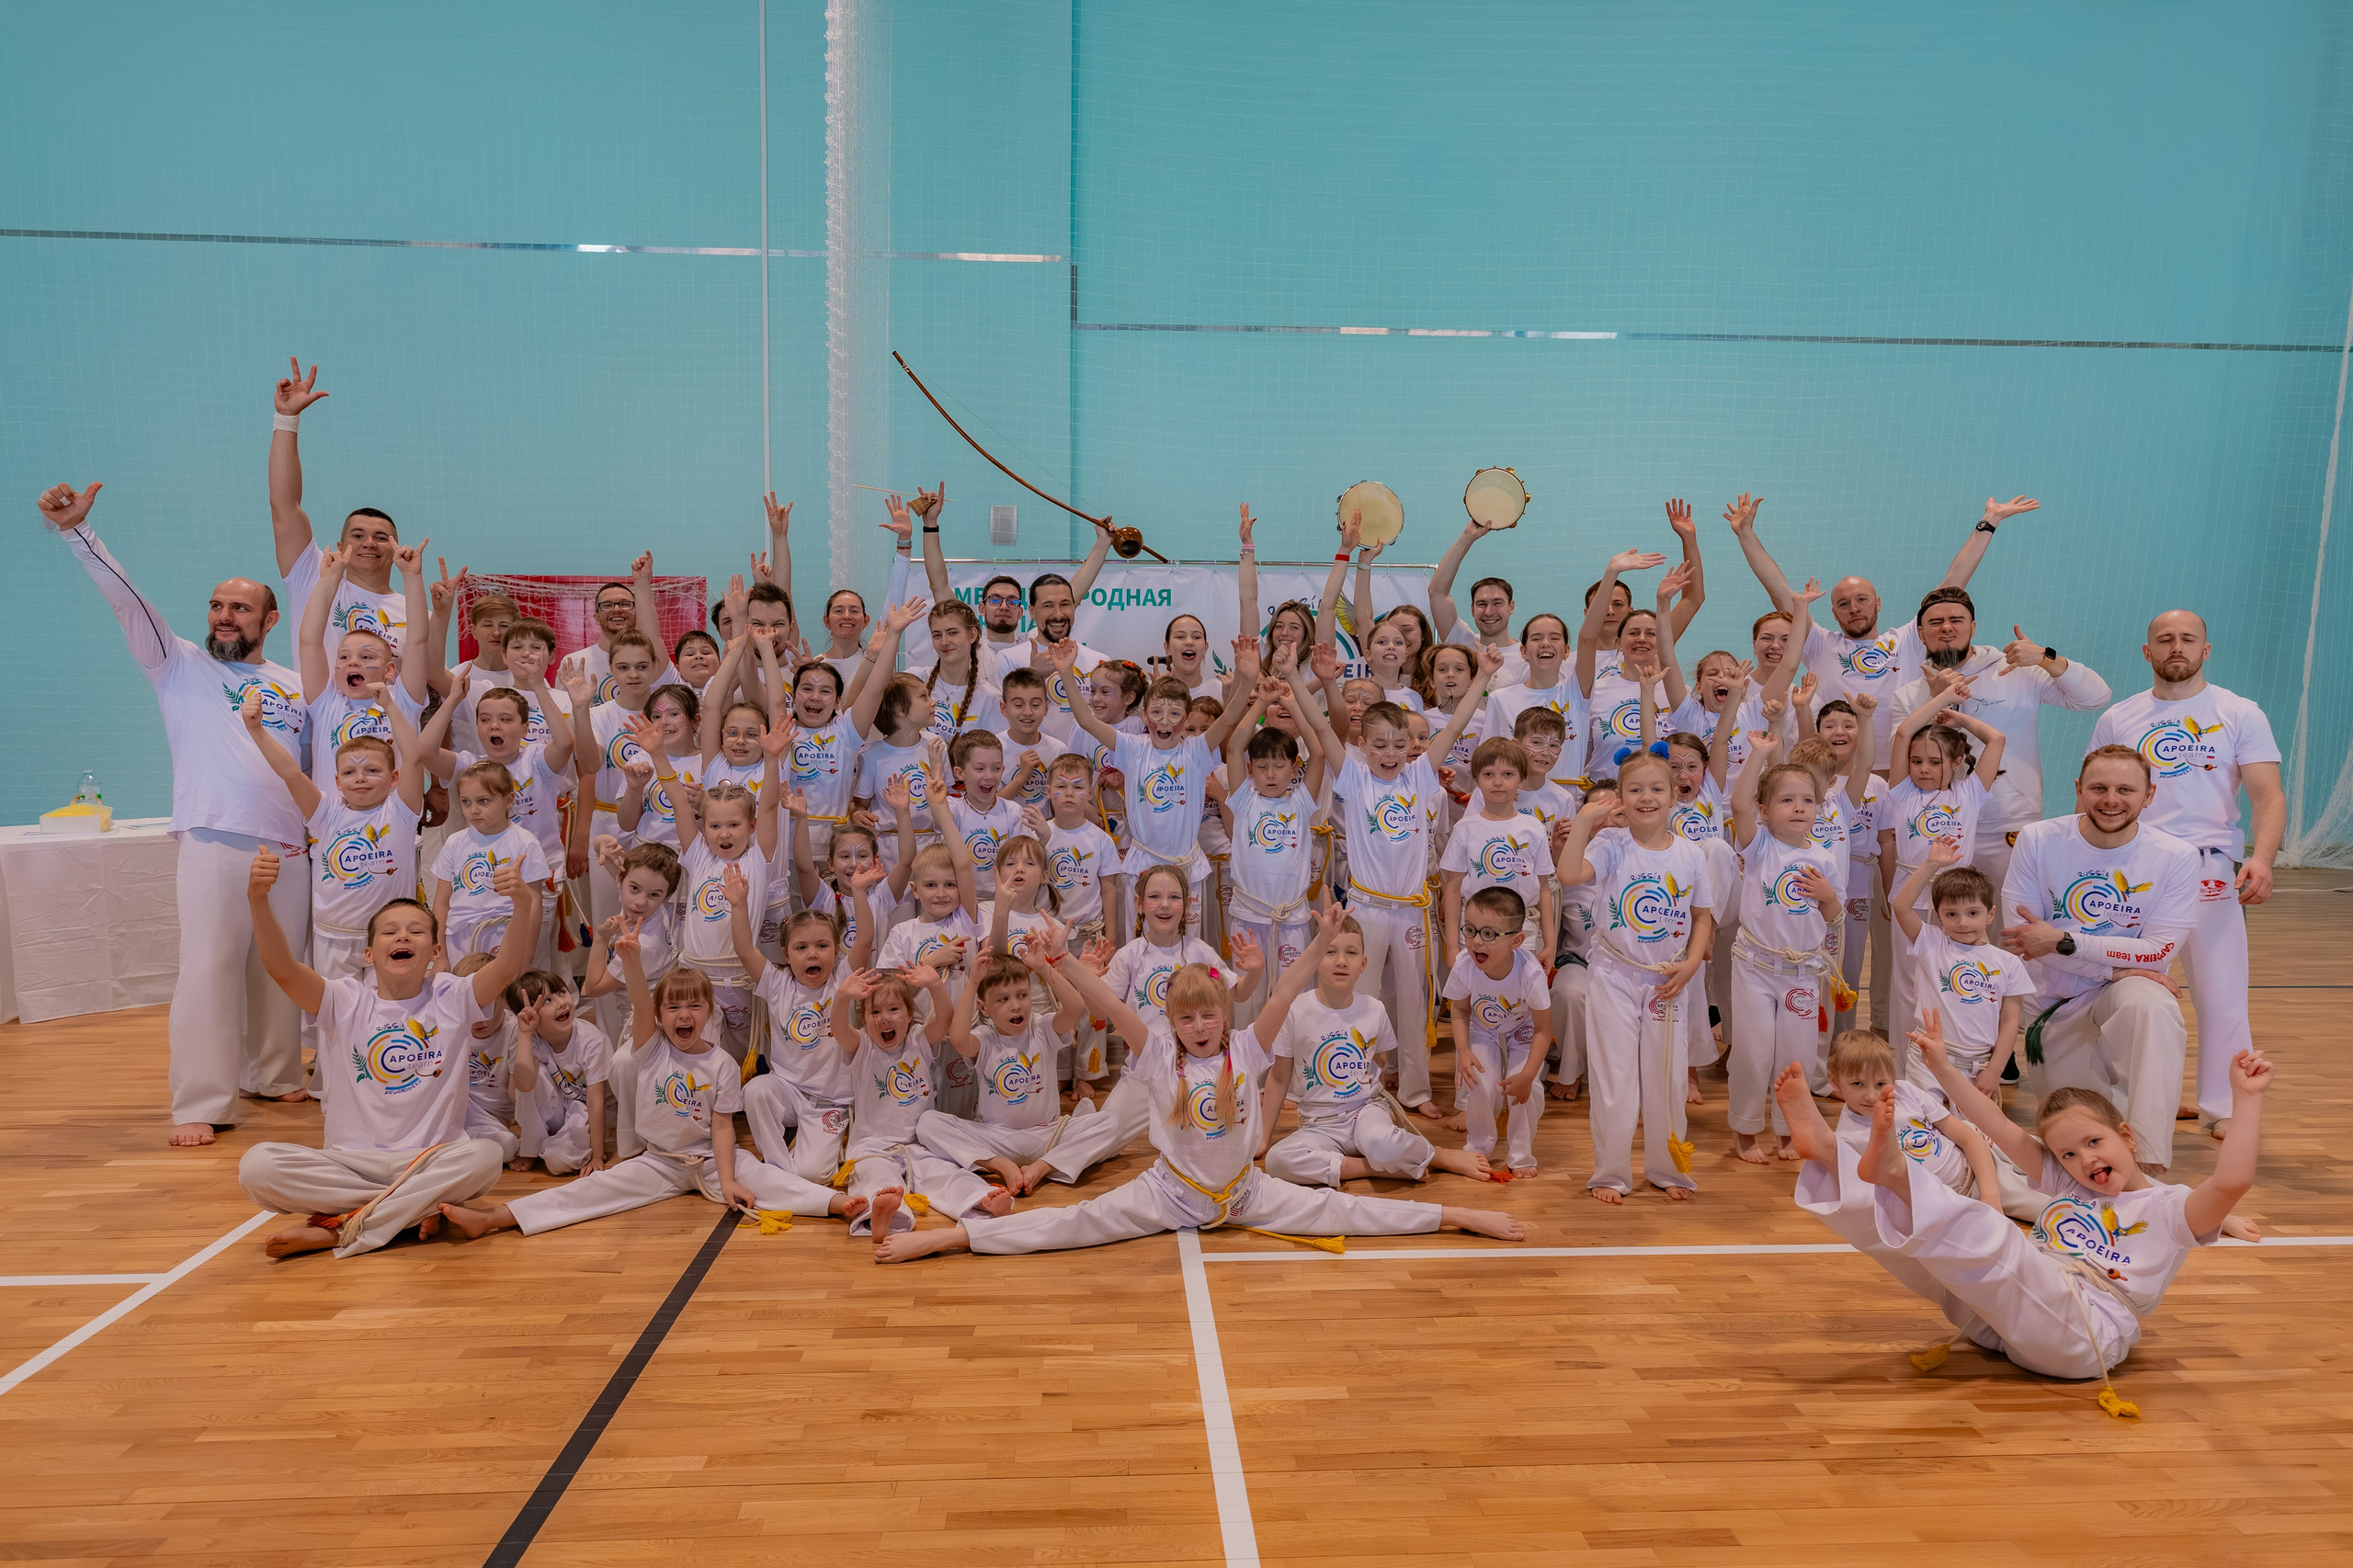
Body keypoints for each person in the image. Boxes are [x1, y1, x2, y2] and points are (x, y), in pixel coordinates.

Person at [871, 909, 1526, 1263]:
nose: (1200, 1026)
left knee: (1351, 1214)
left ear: (1223, 1013)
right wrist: (1062, 960)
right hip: (1168, 1194)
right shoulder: (1159, 1055)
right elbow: (1112, 1005)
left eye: (1209, 1014)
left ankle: (1459, 1216)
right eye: (1187, 1019)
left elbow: (1286, 991)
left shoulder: (1246, 1046)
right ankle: (951, 1237)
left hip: (1243, 1194)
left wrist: (1322, 940)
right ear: (1174, 1023)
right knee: (1067, 1225)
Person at [1792, 1008, 2269, 1402]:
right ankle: (1832, 1154)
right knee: (1911, 1252)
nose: (2084, 1159)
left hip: (2084, 1332)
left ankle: (1897, 1173)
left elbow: (2230, 1181)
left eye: (2094, 1142)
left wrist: (2246, 1100)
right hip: (2005, 1328)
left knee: (1993, 1238)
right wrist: (1941, 1067)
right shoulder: (2070, 1183)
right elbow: (1993, 1124)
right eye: (2068, 1154)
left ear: (2126, 1135)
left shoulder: (2170, 1208)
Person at [43, 479, 313, 1144]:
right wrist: (79, 533)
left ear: (269, 621)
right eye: (217, 605)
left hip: (290, 846)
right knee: (210, 969)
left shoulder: (297, 685)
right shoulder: (179, 664)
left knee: (280, 969)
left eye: (240, 608)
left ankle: (274, 1073)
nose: (225, 615)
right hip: (214, 838)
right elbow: (127, 601)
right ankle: (202, 1101)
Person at [436, 930, 857, 1244]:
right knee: (590, 1191)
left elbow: (723, 1127)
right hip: (660, 1161)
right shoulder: (652, 1048)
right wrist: (631, 960)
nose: (683, 1015)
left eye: (694, 1006)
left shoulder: (723, 1065)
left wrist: (728, 1180)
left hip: (711, 1160)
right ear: (659, 1016)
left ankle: (841, 1206)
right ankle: (495, 1217)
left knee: (767, 1180)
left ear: (709, 1012)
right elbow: (640, 1002)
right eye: (672, 1007)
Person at [237, 848, 537, 1258]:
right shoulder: (344, 999)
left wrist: (522, 903)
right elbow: (282, 968)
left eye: (417, 931)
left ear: (435, 952)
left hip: (431, 1159)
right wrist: (257, 898)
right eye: (389, 931)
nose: (403, 937)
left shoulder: (452, 995)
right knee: (257, 1166)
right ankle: (413, 1211)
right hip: (351, 1164)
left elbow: (505, 968)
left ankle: (342, 1228)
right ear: (368, 954)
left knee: (484, 1156)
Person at [2086, 609, 2284, 1135]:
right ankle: (2139, 1099)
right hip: (2135, 869)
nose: (2177, 647)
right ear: (2147, 651)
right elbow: (2096, 796)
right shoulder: (2118, 718)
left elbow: (2268, 795)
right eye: (2165, 639)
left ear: (2205, 650)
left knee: (2221, 992)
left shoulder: (2240, 712)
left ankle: (2224, 1107)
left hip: (2209, 868)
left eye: (2188, 639)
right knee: (2127, 990)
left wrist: (2262, 858)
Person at [1723, 491, 2040, 768]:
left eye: (1862, 600)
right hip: (1837, 771)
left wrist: (1989, 521)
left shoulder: (1908, 639)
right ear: (1833, 613)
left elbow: (1954, 580)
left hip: (1904, 768)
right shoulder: (1820, 644)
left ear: (1878, 603)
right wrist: (1745, 534)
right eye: (1844, 603)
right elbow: (1779, 591)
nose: (1854, 608)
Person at [2000, 747, 2201, 1173]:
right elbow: (2024, 940)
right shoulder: (2037, 840)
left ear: (2149, 795)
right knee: (2079, 1131)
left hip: (2125, 992)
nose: (2111, 800)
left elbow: (2158, 951)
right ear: (2079, 789)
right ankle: (2125, 1102)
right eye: (2099, 788)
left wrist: (2063, 942)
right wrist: (2116, 966)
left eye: (2125, 789)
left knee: (2153, 1004)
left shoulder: (2177, 856)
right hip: (2053, 1008)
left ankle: (2150, 1164)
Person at [1554, 752, 1718, 1203]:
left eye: (1657, 789)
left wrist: (1691, 963)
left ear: (1675, 795)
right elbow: (1568, 873)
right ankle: (1610, 1173)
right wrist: (1585, 821)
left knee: (1668, 1080)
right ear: (1621, 798)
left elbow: (1702, 916)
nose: (1647, 797)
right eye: (1635, 789)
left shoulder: (1691, 854)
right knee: (1616, 1078)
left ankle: (1668, 1167)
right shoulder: (1612, 844)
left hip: (1667, 982)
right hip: (1613, 977)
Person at [1887, 588, 2110, 892]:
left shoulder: (2015, 671)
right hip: (1937, 830)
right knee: (1941, 921)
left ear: (1973, 627)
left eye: (1956, 620)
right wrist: (1935, 699)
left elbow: (2095, 698)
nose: (1947, 628)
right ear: (1921, 633)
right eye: (1936, 622)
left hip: (2008, 825)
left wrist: (2046, 658)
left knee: (2011, 919)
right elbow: (1900, 760)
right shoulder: (1908, 694)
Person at [1261, 917, 1496, 1187]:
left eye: (1351, 952)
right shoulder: (1295, 1010)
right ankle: (1375, 1168)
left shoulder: (1374, 1009)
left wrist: (1377, 1117)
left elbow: (1376, 1065)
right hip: (1319, 1125)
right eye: (1330, 951)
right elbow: (1279, 1078)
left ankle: (1439, 1155)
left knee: (1381, 1142)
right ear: (1314, 959)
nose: (1341, 961)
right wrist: (1264, 1139)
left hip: (1365, 1112)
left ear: (1363, 963)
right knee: (1277, 1160)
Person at [1722, 736, 1844, 1164]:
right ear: (1764, 810)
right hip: (1755, 967)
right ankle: (1744, 1128)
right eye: (1786, 800)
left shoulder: (1825, 857)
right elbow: (1737, 805)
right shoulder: (1760, 846)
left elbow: (1834, 916)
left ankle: (1789, 1129)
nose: (1798, 808)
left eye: (1807, 800)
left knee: (1797, 1056)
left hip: (1802, 973)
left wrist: (1828, 897)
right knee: (1753, 1052)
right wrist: (1758, 753)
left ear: (1819, 807)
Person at [917, 949, 1129, 1193]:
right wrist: (973, 981)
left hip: (1047, 1135)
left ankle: (1043, 1167)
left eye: (1022, 995)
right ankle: (999, 1165)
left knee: (1113, 1122)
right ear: (984, 1008)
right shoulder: (985, 1038)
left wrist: (1044, 968)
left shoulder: (1041, 1027)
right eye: (1003, 999)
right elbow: (958, 1039)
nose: (1016, 1006)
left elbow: (1074, 1008)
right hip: (995, 1139)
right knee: (928, 1123)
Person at [1878, 679, 2006, 1046]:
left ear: (1956, 763)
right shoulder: (1903, 793)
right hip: (1912, 892)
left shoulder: (1970, 793)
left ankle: (1954, 1051)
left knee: (1954, 975)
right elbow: (1904, 732)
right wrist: (1944, 697)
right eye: (1916, 761)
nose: (1923, 769)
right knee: (1908, 979)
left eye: (1935, 762)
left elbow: (1996, 740)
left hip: (1957, 898)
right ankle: (1905, 1060)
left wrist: (1958, 718)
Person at [266, 359, 409, 670]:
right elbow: (284, 504)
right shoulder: (312, 578)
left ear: (397, 549)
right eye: (357, 535)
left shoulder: (417, 614)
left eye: (381, 537)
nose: (368, 542)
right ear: (341, 546)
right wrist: (286, 419)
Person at [1888, 839, 2035, 1097]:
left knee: (1973, 1124)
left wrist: (1995, 1070)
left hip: (1979, 1067)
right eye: (1951, 914)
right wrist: (1931, 864)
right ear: (1938, 916)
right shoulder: (1931, 943)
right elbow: (1901, 906)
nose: (1963, 923)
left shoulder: (2009, 963)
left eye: (1973, 913)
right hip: (1927, 1062)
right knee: (1921, 1121)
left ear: (1990, 914)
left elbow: (2010, 1021)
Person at [1442, 886, 1556, 1177]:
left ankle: (1521, 1156)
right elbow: (1460, 1009)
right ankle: (1478, 1146)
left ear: (1516, 941)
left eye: (1489, 934)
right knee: (1480, 1081)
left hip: (1523, 1029)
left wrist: (1528, 1075)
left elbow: (1543, 1029)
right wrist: (1463, 1051)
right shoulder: (1465, 966)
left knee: (1524, 1088)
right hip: (1484, 1027)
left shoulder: (1530, 973)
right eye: (1470, 930)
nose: (1476, 941)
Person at [505, 971, 612, 1176]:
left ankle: (548, 1144)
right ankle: (531, 1148)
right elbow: (523, 1087)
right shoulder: (532, 1038)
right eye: (547, 1001)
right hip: (559, 1109)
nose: (561, 1003)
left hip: (585, 1113)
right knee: (535, 1075)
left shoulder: (592, 1041)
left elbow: (595, 1102)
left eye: (562, 992)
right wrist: (524, 1034)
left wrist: (597, 1156)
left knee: (558, 1161)